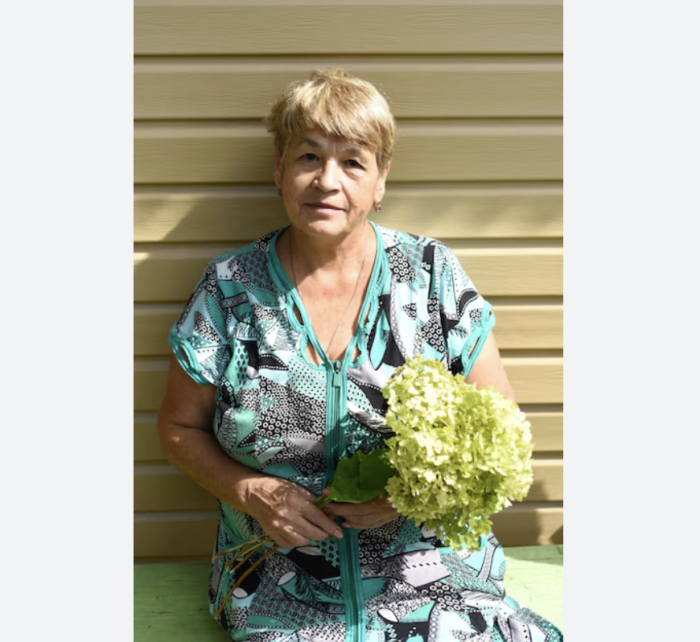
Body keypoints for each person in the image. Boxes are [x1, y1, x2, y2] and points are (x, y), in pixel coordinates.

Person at [158, 69, 563, 642]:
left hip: (429, 570)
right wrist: (249, 492)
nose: (327, 181)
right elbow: (179, 428)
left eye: (352, 162)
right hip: (278, 579)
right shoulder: (229, 289)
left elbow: (500, 430)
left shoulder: (431, 275)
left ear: (380, 181)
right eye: (308, 157)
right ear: (279, 169)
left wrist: (405, 496)